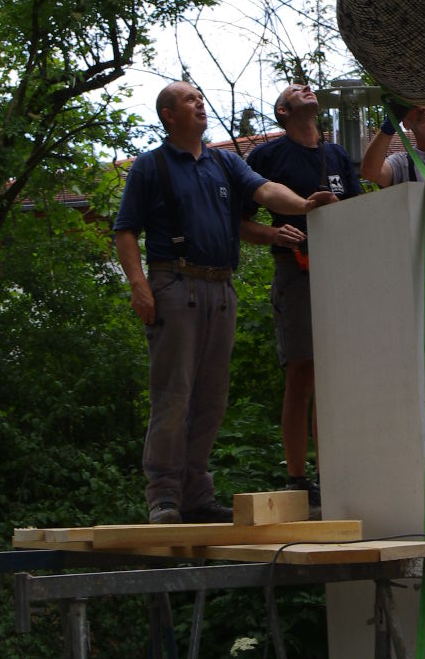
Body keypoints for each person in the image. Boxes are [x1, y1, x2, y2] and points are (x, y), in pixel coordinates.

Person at [113, 81, 327, 524]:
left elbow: (267, 191)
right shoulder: (150, 166)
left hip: (221, 287)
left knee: (211, 397)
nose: (200, 103)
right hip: (175, 283)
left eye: (199, 98)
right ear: (169, 115)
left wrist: (304, 205)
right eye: (190, 99)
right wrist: (139, 285)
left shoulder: (225, 163)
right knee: (173, 394)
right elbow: (125, 231)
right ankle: (164, 497)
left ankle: (195, 493)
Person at [244, 83, 361, 511]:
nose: (308, 88)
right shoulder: (267, 158)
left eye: (309, 85)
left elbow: (362, 215)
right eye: (297, 89)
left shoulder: (338, 156)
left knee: (338, 379)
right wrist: (276, 231)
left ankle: (335, 476)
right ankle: (298, 479)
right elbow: (239, 222)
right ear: (282, 111)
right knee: (303, 374)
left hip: (343, 275)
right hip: (297, 270)